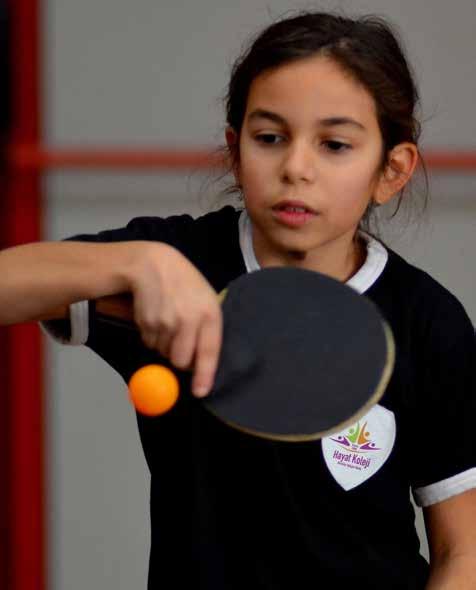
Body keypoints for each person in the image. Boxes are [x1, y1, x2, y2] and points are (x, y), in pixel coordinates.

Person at [1, 11, 475, 590]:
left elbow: (464, 552)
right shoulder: (177, 264)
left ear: (391, 169)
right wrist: (135, 262)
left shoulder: (428, 321)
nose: (296, 168)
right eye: (269, 137)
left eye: (335, 144)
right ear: (234, 148)